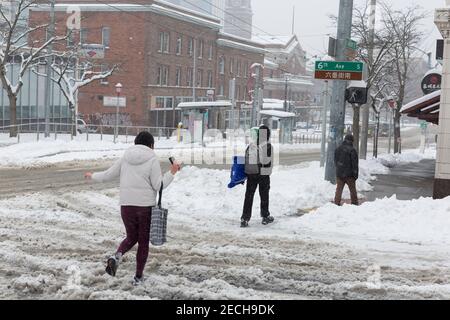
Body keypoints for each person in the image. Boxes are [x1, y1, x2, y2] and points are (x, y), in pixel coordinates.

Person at [84, 131, 180, 285]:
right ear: (151, 145)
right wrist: (172, 172)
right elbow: (159, 185)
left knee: (131, 236)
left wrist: (92, 175)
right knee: (142, 242)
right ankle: (138, 277)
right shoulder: (152, 159)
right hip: (145, 208)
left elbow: (108, 175)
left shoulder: (125, 158)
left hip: (126, 206)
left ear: (135, 143)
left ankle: (117, 256)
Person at [241, 125, 275, 228]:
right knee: (264, 196)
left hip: (251, 174)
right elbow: (268, 163)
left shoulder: (251, 145)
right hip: (263, 174)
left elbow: (245, 160)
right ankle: (265, 216)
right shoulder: (268, 146)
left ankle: (244, 218)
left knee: (249, 196)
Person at [334, 134, 359, 206]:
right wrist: (355, 175)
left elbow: (335, 161)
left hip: (340, 174)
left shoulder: (338, 149)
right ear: (352, 141)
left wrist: (339, 169)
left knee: (338, 190)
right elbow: (355, 164)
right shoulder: (352, 150)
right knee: (352, 190)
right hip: (349, 174)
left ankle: (336, 202)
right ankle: (354, 203)